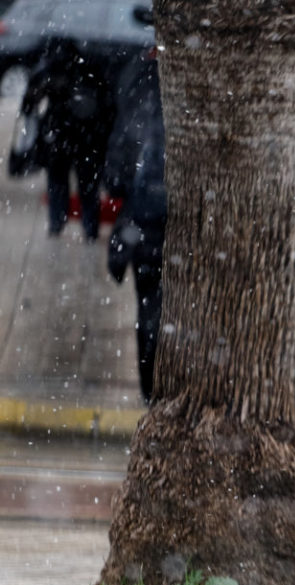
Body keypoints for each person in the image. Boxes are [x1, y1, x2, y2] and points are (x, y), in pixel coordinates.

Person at [20, 38, 114, 240]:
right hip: (87, 135)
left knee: (59, 181)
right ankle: (89, 228)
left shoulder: (52, 63)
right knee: (86, 184)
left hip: (60, 134)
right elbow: (107, 101)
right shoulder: (94, 61)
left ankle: (58, 223)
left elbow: (29, 102)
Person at [107, 102, 165, 403]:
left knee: (149, 316)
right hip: (167, 244)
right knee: (160, 318)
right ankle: (156, 386)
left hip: (145, 244)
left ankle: (149, 388)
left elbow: (116, 182)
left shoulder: (138, 116)